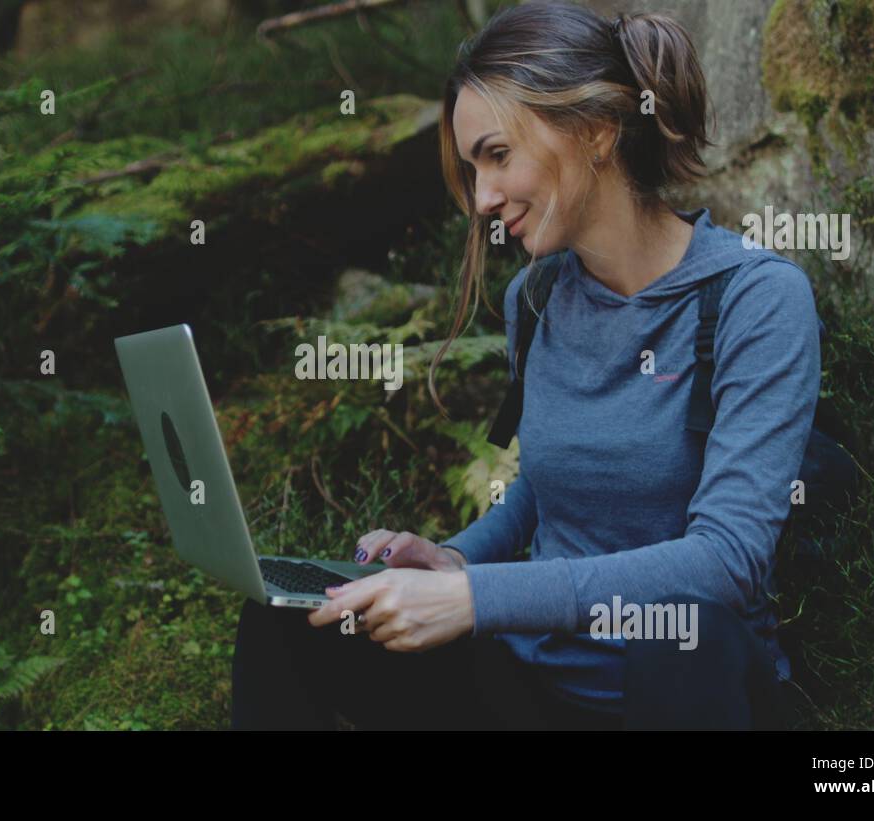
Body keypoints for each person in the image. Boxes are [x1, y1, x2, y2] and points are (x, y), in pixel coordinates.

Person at [231, 0, 817, 730]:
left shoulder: (755, 299)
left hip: (678, 689)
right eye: (474, 167)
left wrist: (479, 598)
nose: (481, 198)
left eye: (497, 155)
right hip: (530, 683)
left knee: (682, 635)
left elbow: (726, 563)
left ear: (597, 130)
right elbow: (544, 486)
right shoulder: (534, 299)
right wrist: (454, 560)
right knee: (285, 622)